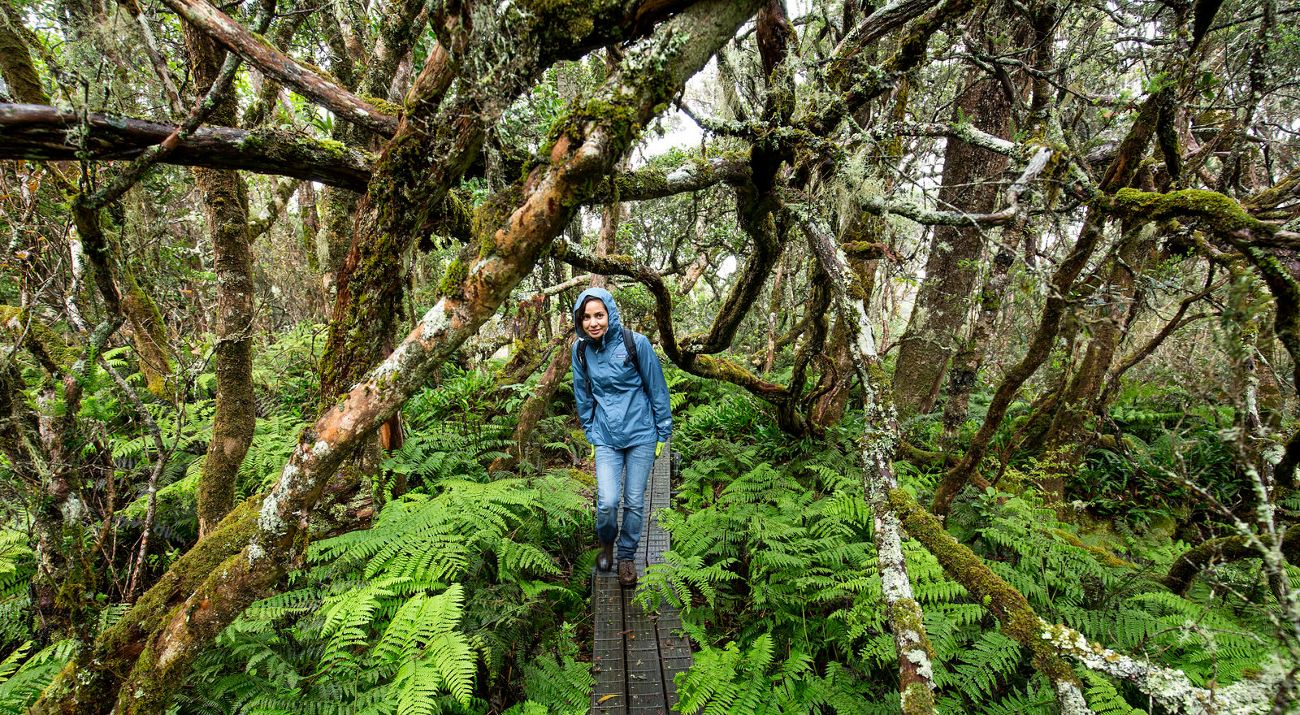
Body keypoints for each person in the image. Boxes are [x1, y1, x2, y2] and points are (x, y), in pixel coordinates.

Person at [571, 287, 672, 587]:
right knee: (608, 501)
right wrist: (590, 430)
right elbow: (583, 394)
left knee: (634, 502)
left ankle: (626, 557)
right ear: (580, 320)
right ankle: (607, 544)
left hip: (641, 432)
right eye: (587, 317)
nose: (593, 323)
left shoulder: (635, 343)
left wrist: (662, 432)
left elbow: (657, 387)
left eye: (599, 315)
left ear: (610, 315)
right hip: (605, 436)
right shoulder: (581, 351)